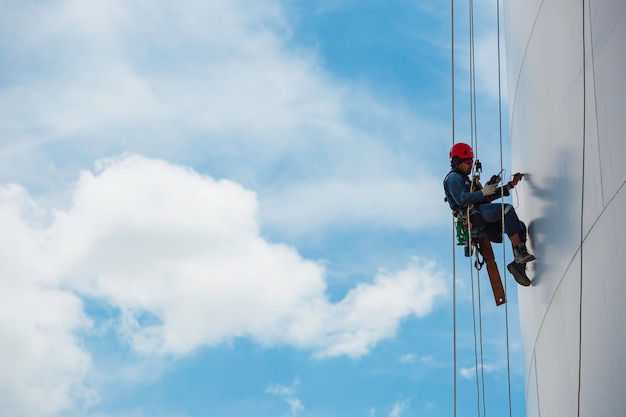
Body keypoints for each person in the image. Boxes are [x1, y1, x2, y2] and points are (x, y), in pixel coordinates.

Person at [443, 142, 535, 286]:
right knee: (507, 210)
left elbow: (485, 197)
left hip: (480, 214)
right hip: (473, 216)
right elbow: (461, 199)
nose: (470, 165)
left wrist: (509, 185)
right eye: (467, 162)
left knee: (519, 226)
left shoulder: (465, 180)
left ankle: (519, 265)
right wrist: (483, 192)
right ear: (457, 162)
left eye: (471, 162)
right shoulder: (453, 178)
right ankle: (520, 252)